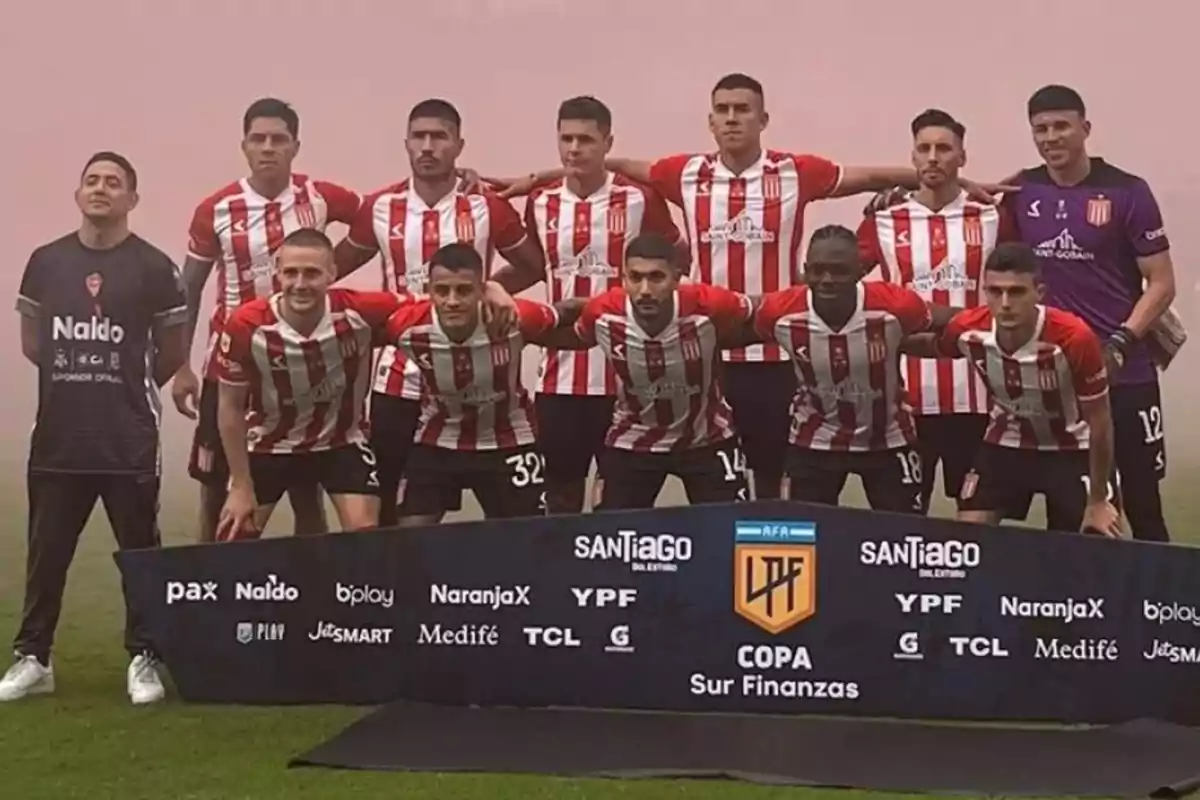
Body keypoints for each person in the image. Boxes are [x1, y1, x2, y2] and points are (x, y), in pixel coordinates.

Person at [495, 73, 1010, 502]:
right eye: (723, 109)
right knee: (704, 466)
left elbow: (866, 176)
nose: (733, 117)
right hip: (701, 351)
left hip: (771, 350)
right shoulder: (684, 173)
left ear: (762, 119)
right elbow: (606, 163)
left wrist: (942, 180)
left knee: (768, 473)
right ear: (711, 120)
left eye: (744, 108)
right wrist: (541, 175)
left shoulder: (795, 171)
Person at [0, 152, 187, 705]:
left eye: (114, 182)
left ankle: (144, 656)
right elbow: (36, 344)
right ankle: (34, 656)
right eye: (92, 180)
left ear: (133, 198)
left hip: (128, 438)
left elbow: (171, 352)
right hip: (59, 438)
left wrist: (122, 382)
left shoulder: (156, 267)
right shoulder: (46, 261)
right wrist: (77, 376)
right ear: (78, 194)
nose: (101, 189)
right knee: (46, 552)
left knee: (139, 553)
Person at [333, 98, 545, 526]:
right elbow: (330, 269)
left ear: (459, 145)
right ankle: (397, 591)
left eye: (439, 137)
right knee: (395, 505)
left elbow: (533, 265)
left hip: (478, 375)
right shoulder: (380, 208)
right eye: (419, 137)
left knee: (512, 520)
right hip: (400, 376)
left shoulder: (485, 206)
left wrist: (495, 287)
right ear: (406, 144)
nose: (428, 147)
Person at [173, 98, 362, 542]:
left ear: (296, 146)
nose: (268, 148)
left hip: (300, 363)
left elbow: (375, 220)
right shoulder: (216, 208)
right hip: (233, 360)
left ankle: (309, 595)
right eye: (258, 139)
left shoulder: (320, 196)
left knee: (306, 487)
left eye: (279, 139)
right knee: (217, 487)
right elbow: (189, 288)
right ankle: (212, 587)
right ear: (244, 146)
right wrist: (180, 365)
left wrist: (333, 271)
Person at [996, 85, 1177, 541]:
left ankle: (1164, 608)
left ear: (1085, 129)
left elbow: (1162, 283)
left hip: (1126, 371)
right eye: (1041, 129)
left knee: (1141, 503)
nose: (1051, 137)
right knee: (1074, 509)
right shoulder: (1022, 190)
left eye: (1061, 126)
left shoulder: (1127, 191)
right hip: (1060, 377)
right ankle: (1078, 607)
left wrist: (1121, 342)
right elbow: (961, 210)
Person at [521, 95, 687, 514]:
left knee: (618, 499)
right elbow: (531, 266)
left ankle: (612, 575)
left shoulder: (639, 199)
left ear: (608, 143)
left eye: (586, 139)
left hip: (623, 377)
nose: (574, 148)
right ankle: (560, 575)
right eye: (566, 139)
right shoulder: (540, 202)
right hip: (558, 376)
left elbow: (677, 257)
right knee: (560, 493)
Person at [858, 109, 1017, 513]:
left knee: (976, 518)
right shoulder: (884, 219)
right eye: (923, 148)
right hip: (906, 400)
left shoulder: (992, 217)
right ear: (911, 158)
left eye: (944, 149)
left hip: (979, 394)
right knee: (903, 521)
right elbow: (841, 283)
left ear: (962, 158)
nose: (933, 157)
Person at [906, 241, 1122, 536]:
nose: (1005, 303)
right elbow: (934, 347)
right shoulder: (968, 328)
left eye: (1017, 292)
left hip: (1073, 448)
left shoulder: (1074, 337)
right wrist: (889, 338)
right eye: (995, 292)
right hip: (1007, 443)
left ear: (1039, 293)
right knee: (967, 539)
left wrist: (1097, 499)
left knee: (1099, 540)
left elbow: (1100, 422)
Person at [212, 229, 408, 540]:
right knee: (235, 536)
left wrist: (492, 289)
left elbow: (430, 304)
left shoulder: (359, 310)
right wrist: (240, 485)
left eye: (312, 273)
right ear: (277, 272)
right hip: (269, 443)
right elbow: (229, 407)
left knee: (369, 539)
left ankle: (345, 589)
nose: (300, 284)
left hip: (340, 442)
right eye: (291, 273)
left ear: (332, 273)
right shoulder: (246, 325)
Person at [537, 232, 751, 511]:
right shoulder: (603, 313)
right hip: (632, 439)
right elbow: (564, 332)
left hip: (707, 438)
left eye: (656, 277)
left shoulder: (709, 307)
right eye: (635, 278)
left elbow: (763, 314)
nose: (645, 290)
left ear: (677, 278)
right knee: (611, 538)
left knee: (733, 532)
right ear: (623, 279)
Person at [749, 225, 945, 513]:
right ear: (805, 271)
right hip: (813, 438)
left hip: (888, 437)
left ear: (859, 271)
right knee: (804, 535)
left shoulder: (895, 306)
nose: (827, 280)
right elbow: (733, 334)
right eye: (817, 270)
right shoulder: (779, 312)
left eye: (839, 271)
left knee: (903, 538)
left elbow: (952, 324)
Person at [381, 243, 560, 524]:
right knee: (410, 542)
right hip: (437, 439)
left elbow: (572, 312)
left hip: (509, 439)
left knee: (525, 542)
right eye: (442, 291)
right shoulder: (407, 326)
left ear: (481, 290)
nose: (452, 301)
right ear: (429, 291)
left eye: (464, 290)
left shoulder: (514, 317)